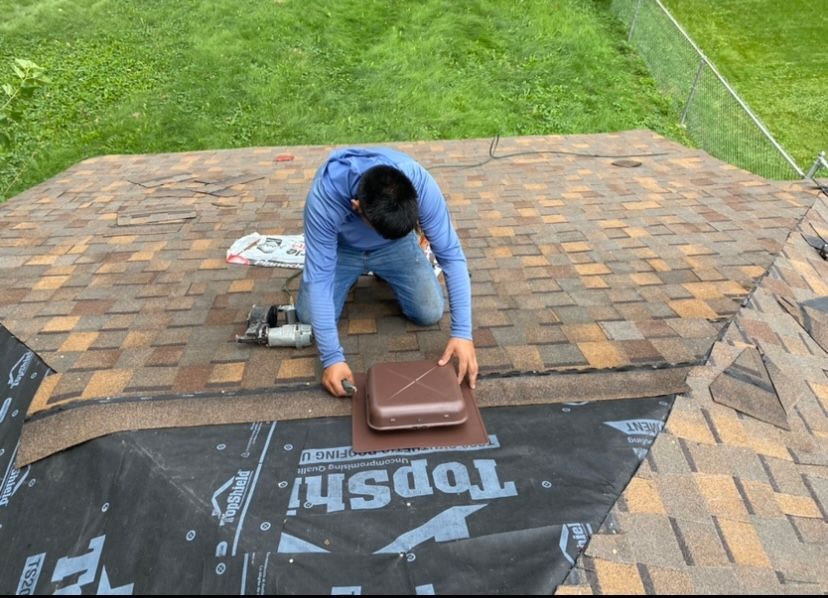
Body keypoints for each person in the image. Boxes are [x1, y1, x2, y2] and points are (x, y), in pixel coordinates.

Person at [296, 147, 478, 397]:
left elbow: (452, 256)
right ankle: (349, 276)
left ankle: (386, 269)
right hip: (342, 250)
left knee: (429, 311)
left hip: (395, 246)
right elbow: (319, 279)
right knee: (308, 317)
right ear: (357, 207)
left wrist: (462, 333)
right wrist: (332, 359)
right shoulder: (324, 198)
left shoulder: (419, 181)